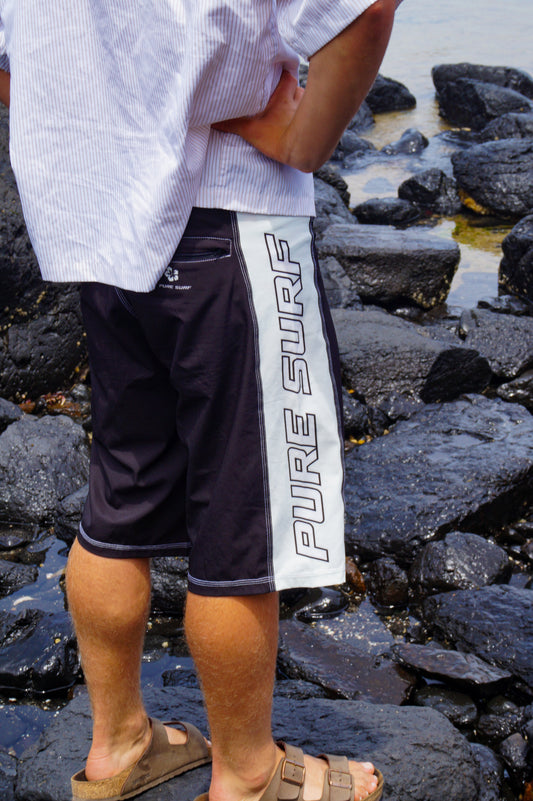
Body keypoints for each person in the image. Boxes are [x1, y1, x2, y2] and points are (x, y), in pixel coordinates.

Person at [0, 1, 400, 799]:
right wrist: (304, 140)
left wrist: (109, 124)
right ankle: (249, 772)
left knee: (122, 485)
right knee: (243, 515)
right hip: (229, 216)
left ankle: (117, 744)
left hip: (102, 223)